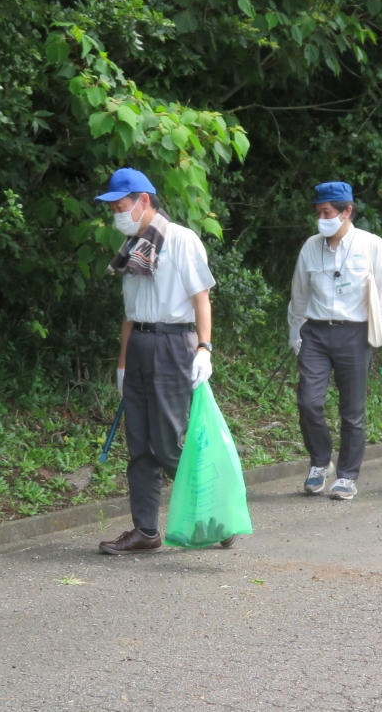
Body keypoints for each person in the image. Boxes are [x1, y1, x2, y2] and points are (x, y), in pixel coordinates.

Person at [94, 168, 222, 554]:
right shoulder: (133, 247)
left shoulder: (181, 240)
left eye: (121, 206)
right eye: (113, 207)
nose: (116, 214)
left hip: (172, 344)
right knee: (140, 445)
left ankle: (215, 517)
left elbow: (202, 298)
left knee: (168, 444)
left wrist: (204, 348)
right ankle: (145, 531)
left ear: (143, 201)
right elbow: (130, 315)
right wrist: (121, 364)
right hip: (139, 346)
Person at [287, 182, 382, 500]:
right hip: (314, 332)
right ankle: (319, 462)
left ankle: (347, 476)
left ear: (347, 212)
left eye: (327, 212)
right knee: (308, 402)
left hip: (355, 335)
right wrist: (294, 334)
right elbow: (299, 295)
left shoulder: (370, 245)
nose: (321, 219)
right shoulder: (310, 247)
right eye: (318, 213)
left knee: (351, 410)